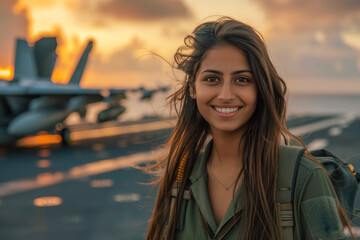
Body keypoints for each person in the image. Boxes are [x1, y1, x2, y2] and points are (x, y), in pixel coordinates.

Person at [146, 17, 354, 239]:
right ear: (192, 89)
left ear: (261, 89)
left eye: (242, 79)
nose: (226, 95)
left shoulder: (305, 178)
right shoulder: (179, 178)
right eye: (212, 79)